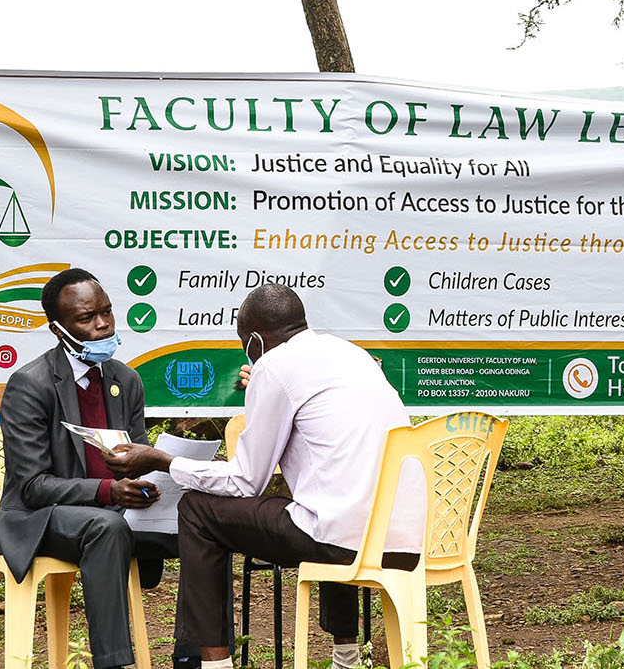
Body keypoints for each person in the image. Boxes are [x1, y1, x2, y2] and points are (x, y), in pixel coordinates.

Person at [107, 283, 425, 669]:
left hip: (342, 540)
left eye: (245, 342)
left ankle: (215, 663)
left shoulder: (273, 366)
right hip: (403, 539)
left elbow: (245, 483)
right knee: (331, 503)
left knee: (197, 510)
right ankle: (347, 655)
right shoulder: (351, 354)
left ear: (254, 339)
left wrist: (161, 458)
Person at [0, 268, 191, 669]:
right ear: (58, 329)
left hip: (114, 512)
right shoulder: (31, 384)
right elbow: (32, 486)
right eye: (87, 318)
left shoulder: (126, 380)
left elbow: (136, 456)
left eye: (107, 313)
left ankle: (199, 657)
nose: (102, 325)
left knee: (204, 522)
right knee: (107, 526)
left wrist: (151, 482)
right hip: (40, 518)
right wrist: (108, 492)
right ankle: (114, 663)